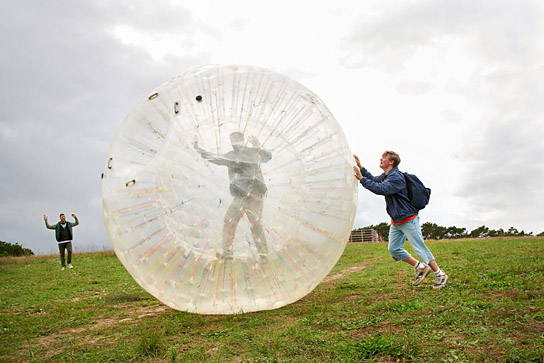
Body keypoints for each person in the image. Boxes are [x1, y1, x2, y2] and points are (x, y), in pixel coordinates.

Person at [353, 151, 448, 290]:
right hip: (397, 221)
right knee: (394, 249)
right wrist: (362, 168)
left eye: (383, 157)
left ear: (391, 162)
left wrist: (361, 179)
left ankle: (440, 274)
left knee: (419, 248)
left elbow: (381, 189)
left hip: (408, 219)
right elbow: (374, 180)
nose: (381, 159)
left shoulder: (396, 177)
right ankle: (421, 267)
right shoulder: (387, 176)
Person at [194, 132, 272, 262]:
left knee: (255, 224)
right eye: (231, 140)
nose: (233, 143)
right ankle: (227, 252)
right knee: (229, 221)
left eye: (235, 140)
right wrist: (198, 149)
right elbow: (213, 158)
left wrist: (258, 147)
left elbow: (268, 157)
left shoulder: (252, 152)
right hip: (239, 196)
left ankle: (263, 255)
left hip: (255, 195)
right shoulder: (231, 156)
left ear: (242, 140)